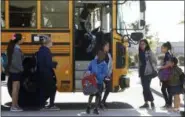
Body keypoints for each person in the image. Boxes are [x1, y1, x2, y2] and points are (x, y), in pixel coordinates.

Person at [37, 35, 59, 110]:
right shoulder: (47, 51)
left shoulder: (40, 50)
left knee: (43, 89)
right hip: (47, 73)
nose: (52, 43)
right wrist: (54, 64)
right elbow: (48, 63)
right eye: (51, 41)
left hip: (41, 72)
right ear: (47, 43)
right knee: (53, 88)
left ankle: (42, 105)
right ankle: (51, 105)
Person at [85, 50, 108, 115]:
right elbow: (88, 68)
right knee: (91, 94)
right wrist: (88, 72)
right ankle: (88, 107)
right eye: (99, 55)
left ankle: (96, 109)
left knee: (98, 95)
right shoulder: (93, 62)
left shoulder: (104, 64)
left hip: (99, 82)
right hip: (92, 81)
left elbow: (104, 73)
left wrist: (99, 77)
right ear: (97, 55)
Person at [6, 33, 24, 111]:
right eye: (22, 38)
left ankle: (15, 105)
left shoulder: (13, 47)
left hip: (14, 70)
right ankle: (14, 106)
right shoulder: (16, 49)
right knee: (15, 88)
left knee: (16, 88)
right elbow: (16, 62)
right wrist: (21, 69)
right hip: (16, 71)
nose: (23, 39)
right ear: (18, 40)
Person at [138, 39, 157, 109]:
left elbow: (155, 61)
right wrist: (139, 72)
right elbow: (140, 64)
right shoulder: (140, 52)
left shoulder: (149, 52)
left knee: (146, 87)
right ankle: (146, 103)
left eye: (143, 44)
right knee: (144, 88)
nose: (141, 45)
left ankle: (152, 102)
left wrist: (153, 68)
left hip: (148, 73)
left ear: (146, 45)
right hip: (142, 72)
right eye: (140, 44)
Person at [95, 41, 112, 108]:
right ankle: (99, 103)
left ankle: (103, 101)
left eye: (108, 46)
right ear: (103, 47)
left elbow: (110, 65)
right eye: (107, 46)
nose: (108, 47)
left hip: (106, 75)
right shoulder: (100, 54)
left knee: (109, 87)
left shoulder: (109, 55)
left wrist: (109, 73)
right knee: (100, 88)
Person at [159, 41, 173, 108]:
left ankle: (168, 103)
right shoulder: (169, 54)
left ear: (166, 48)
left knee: (163, 89)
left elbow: (169, 64)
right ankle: (169, 104)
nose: (161, 49)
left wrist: (162, 67)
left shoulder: (167, 54)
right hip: (169, 74)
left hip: (166, 75)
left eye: (162, 48)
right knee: (169, 89)